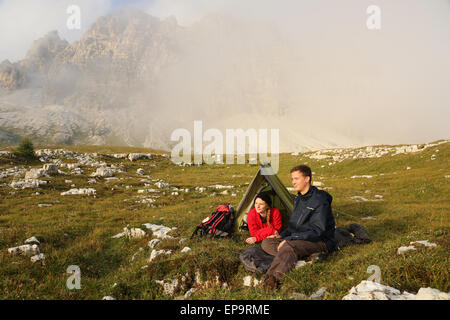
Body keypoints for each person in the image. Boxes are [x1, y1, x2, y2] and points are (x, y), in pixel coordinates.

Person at [261, 165, 338, 289]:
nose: (293, 182)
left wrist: (289, 240)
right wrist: (282, 235)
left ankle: (272, 279)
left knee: (288, 246)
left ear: (307, 179)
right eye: (292, 179)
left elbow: (318, 231)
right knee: (267, 242)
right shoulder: (299, 199)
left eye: (296, 179)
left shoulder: (320, 200)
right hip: (299, 239)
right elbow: (293, 226)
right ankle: (297, 255)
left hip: (321, 241)